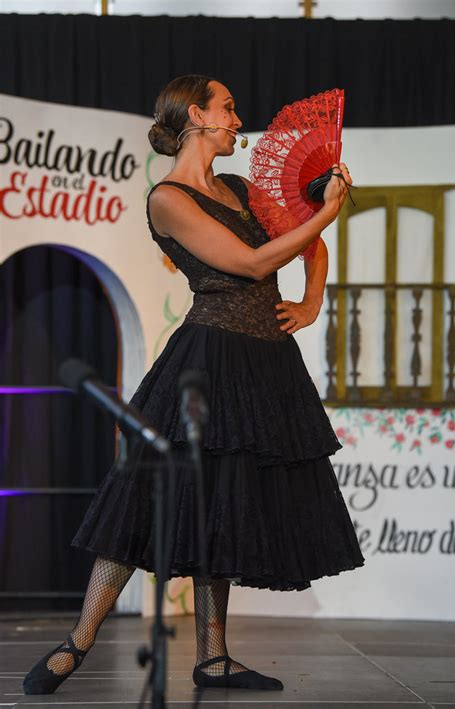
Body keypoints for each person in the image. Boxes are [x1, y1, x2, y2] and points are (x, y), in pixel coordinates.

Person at [23, 74, 364, 695]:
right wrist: (328, 213)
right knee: (143, 500)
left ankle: (214, 658)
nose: (238, 119)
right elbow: (253, 262)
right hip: (206, 361)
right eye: (228, 108)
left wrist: (313, 299)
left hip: (266, 363)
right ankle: (79, 642)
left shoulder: (240, 187)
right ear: (197, 118)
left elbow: (306, 246)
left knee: (223, 507)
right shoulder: (168, 199)